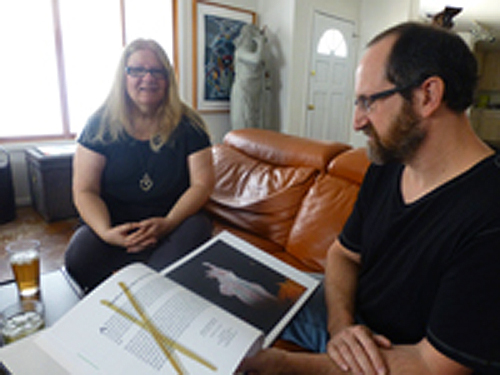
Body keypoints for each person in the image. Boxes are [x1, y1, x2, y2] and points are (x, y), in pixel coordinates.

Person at [239, 22, 500, 375]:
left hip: (397, 358)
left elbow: (433, 365)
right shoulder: (390, 163)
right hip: (350, 321)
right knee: (227, 287)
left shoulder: (488, 214)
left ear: (427, 96)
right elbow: (342, 254)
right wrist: (342, 327)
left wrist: (283, 364)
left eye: (368, 102)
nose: (357, 121)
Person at [65, 39, 215, 293]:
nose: (148, 78)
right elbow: (84, 190)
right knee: (78, 260)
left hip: (170, 225)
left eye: (157, 71)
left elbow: (202, 184)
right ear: (123, 77)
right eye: (137, 70)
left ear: (168, 79)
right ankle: (150, 281)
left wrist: (168, 223)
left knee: (199, 226)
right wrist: (106, 232)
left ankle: (147, 287)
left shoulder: (191, 126)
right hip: (114, 226)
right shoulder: (98, 125)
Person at [230, 24, 267, 130]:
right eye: (252, 37)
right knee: (244, 124)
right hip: (243, 92)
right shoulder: (240, 52)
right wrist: (261, 42)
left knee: (254, 123)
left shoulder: (254, 53)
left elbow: (260, 62)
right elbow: (257, 59)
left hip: (253, 93)